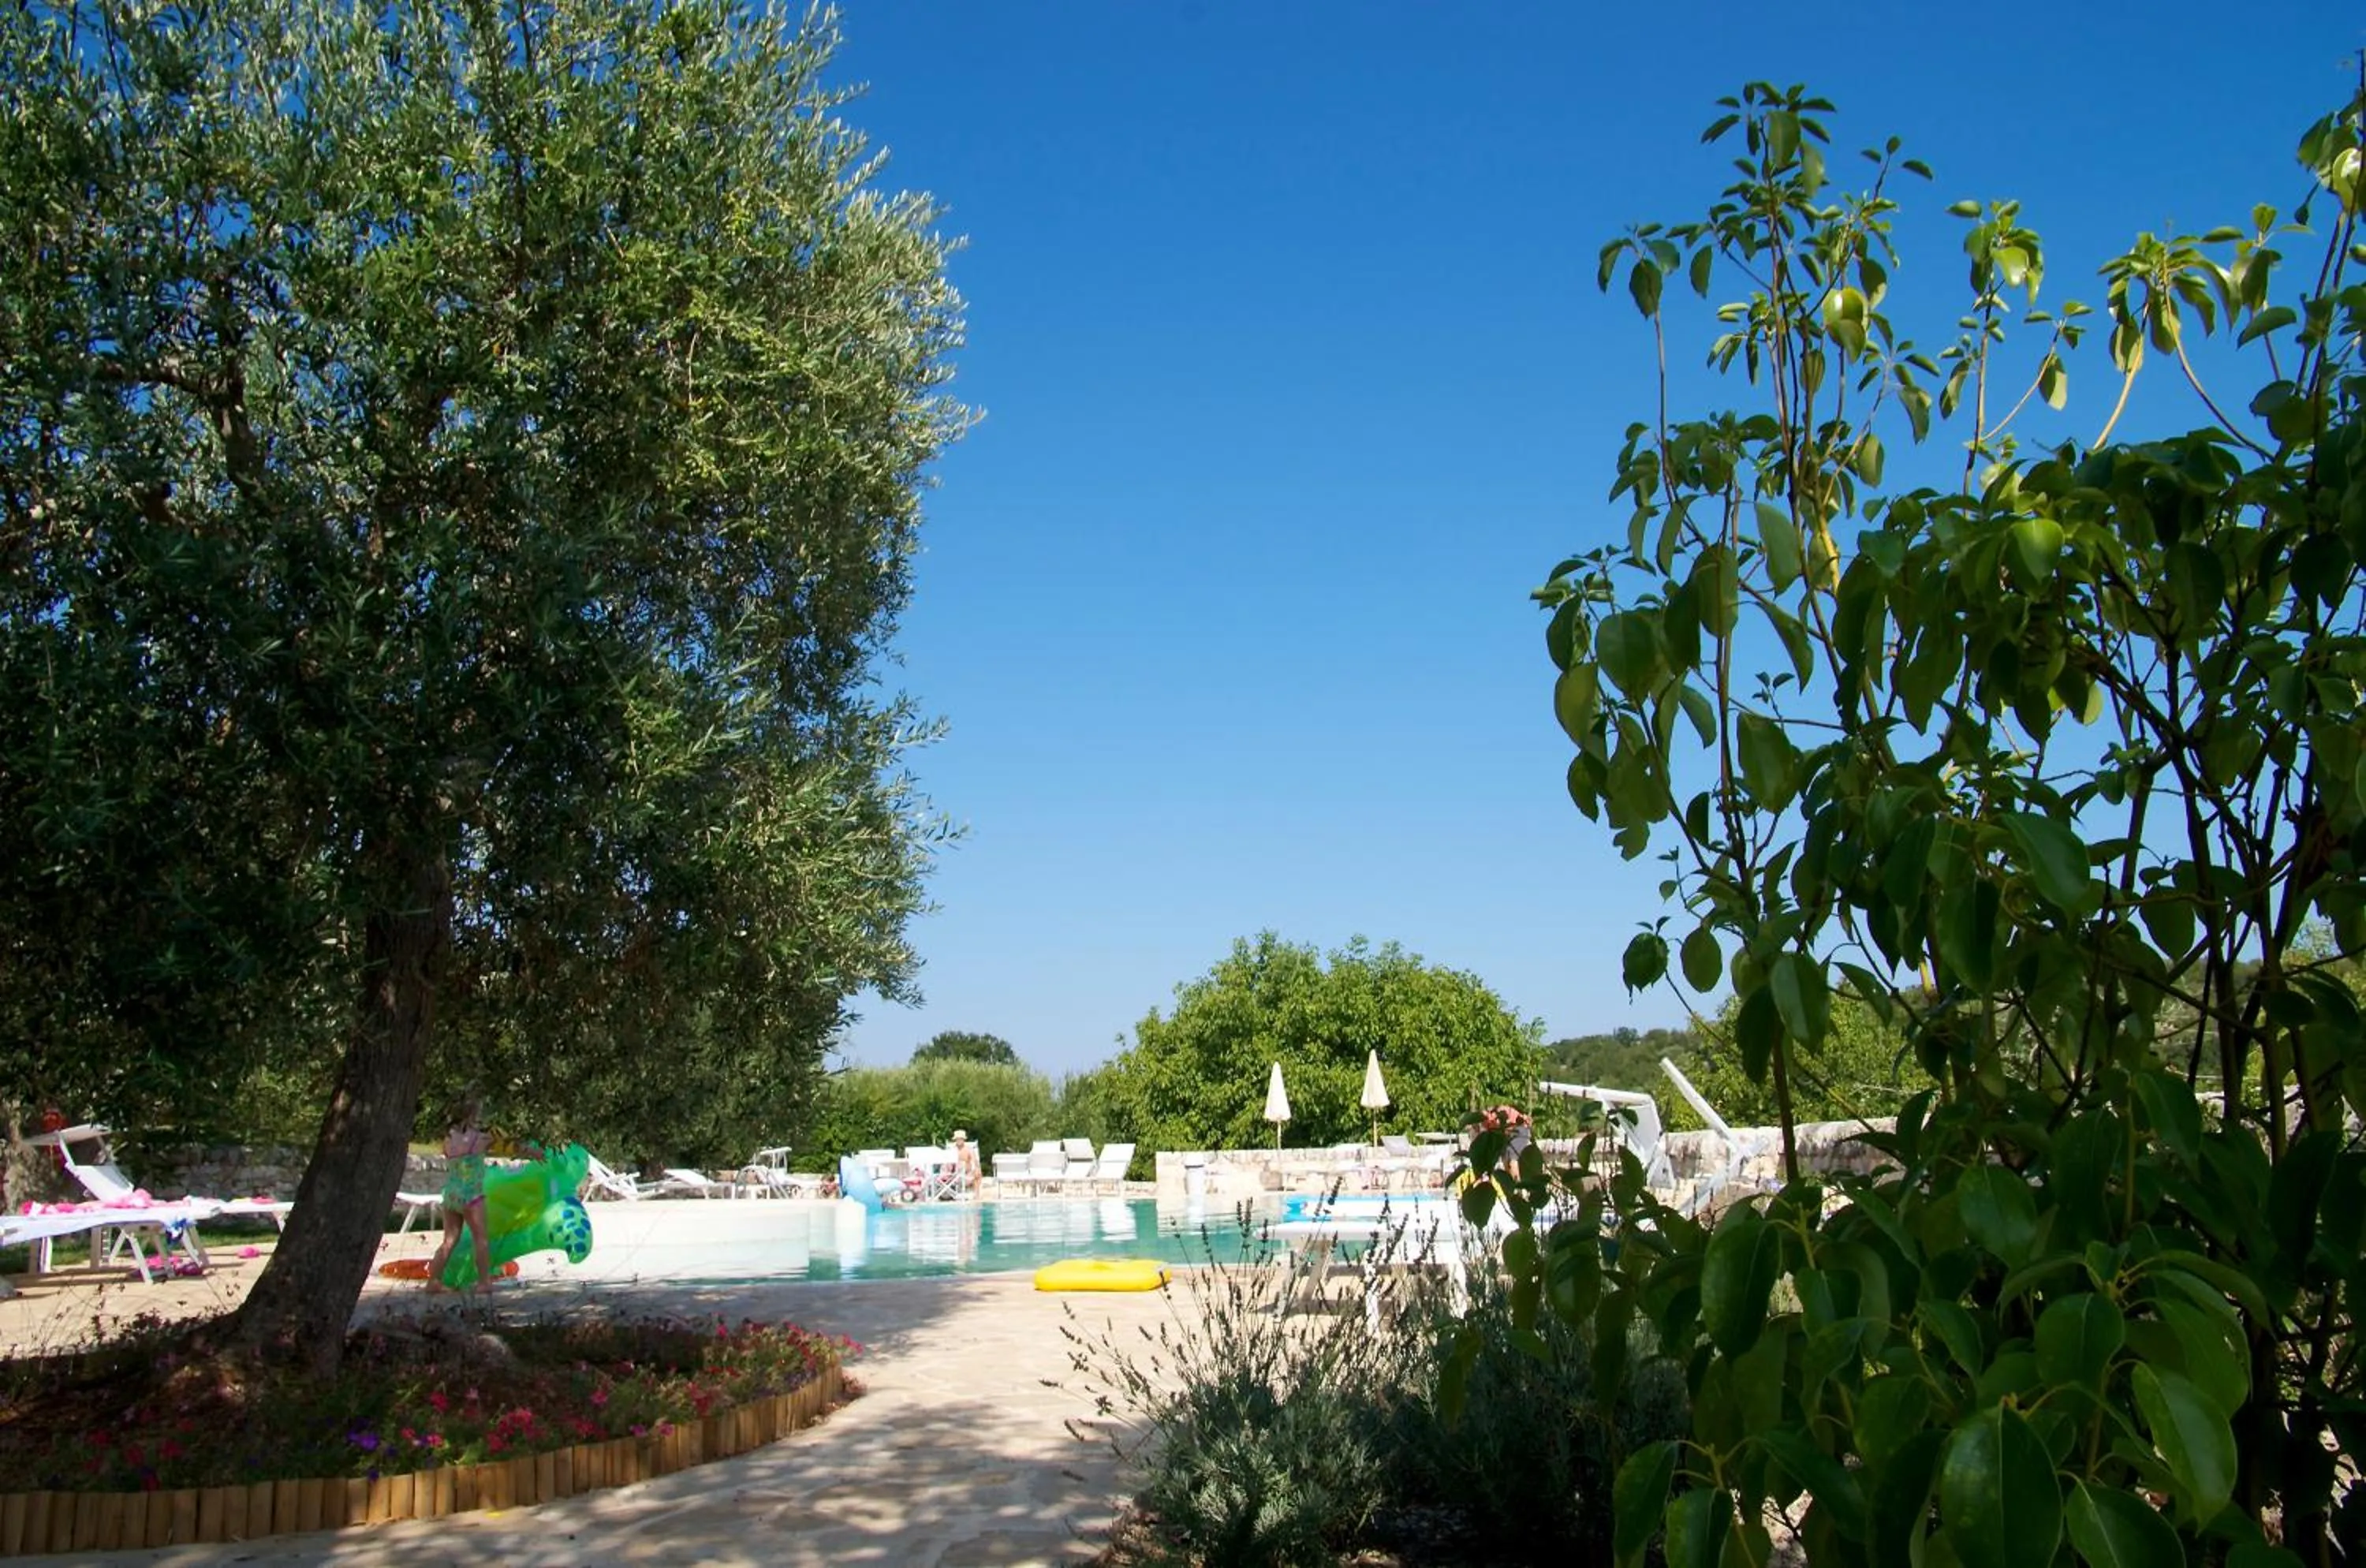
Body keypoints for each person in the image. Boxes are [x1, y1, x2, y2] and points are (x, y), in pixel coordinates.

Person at [428, 1094, 494, 1293]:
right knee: (481, 1239)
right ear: (475, 1113)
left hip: (451, 1195)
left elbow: (448, 1155)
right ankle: (484, 1282)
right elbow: (510, 1145)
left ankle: (433, 1282)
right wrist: (534, 1153)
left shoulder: (448, 1138)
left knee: (449, 1240)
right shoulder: (480, 1138)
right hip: (471, 1195)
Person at [949, 1129, 980, 1196]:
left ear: (964, 1140)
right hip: (954, 1175)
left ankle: (976, 1195)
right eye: (957, 1139)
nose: (959, 1141)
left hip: (967, 1173)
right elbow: (947, 1163)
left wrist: (973, 1170)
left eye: (960, 1139)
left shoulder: (969, 1149)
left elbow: (974, 1162)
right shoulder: (952, 1150)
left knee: (977, 1172)